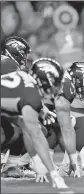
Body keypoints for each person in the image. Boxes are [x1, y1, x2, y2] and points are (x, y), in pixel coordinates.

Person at [1, 58, 69, 188]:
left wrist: (42, 110)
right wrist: (51, 172)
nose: (57, 87)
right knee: (31, 130)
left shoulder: (24, 78)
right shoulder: (32, 97)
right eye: (55, 83)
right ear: (43, 81)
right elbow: (36, 136)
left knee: (23, 124)